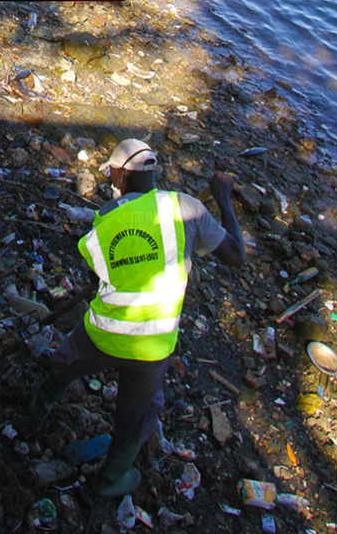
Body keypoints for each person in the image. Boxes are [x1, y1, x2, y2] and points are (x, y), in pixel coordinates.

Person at [30, 139, 246, 499]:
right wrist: (223, 197)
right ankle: (112, 479)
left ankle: (36, 409)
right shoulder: (187, 208)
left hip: (103, 335)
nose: (110, 180)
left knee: (67, 362)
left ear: (121, 175)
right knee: (137, 416)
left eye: (111, 173)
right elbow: (236, 254)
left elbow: (97, 271)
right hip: (153, 346)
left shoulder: (106, 220)